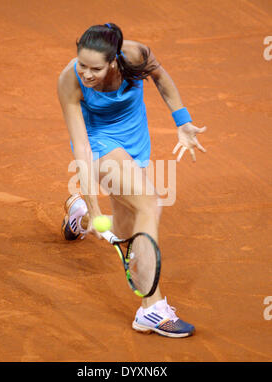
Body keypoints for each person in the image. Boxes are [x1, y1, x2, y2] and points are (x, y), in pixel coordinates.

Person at [57, 23, 206, 338]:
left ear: (113, 60)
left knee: (125, 229)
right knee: (148, 203)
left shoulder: (136, 55)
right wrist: (94, 200)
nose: (85, 73)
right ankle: (151, 308)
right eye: (81, 63)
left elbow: (161, 77)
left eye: (94, 68)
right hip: (98, 143)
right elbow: (81, 147)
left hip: (134, 138)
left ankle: (79, 217)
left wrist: (183, 121)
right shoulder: (69, 79)